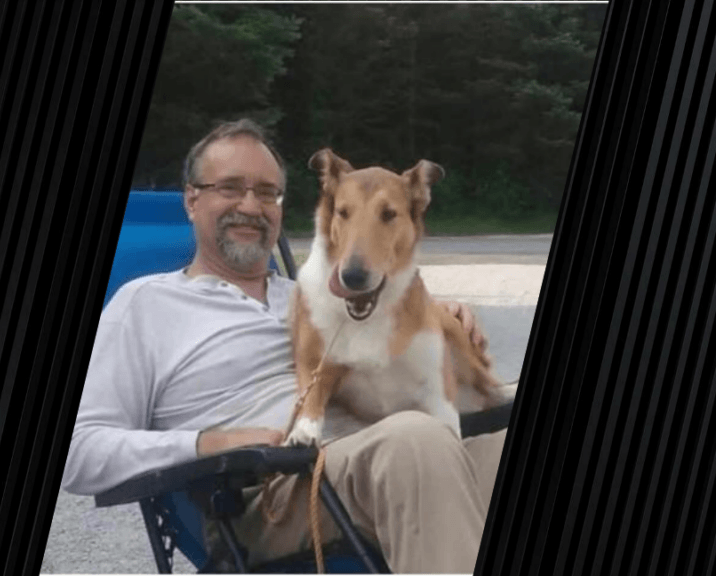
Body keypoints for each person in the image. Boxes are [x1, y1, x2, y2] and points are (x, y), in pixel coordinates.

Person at [61, 119, 509, 573]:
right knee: (416, 442)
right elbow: (80, 451)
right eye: (230, 188)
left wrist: (429, 322)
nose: (251, 206)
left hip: (378, 462)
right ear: (192, 199)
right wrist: (206, 443)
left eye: (268, 193)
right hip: (264, 498)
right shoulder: (145, 304)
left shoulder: (313, 295)